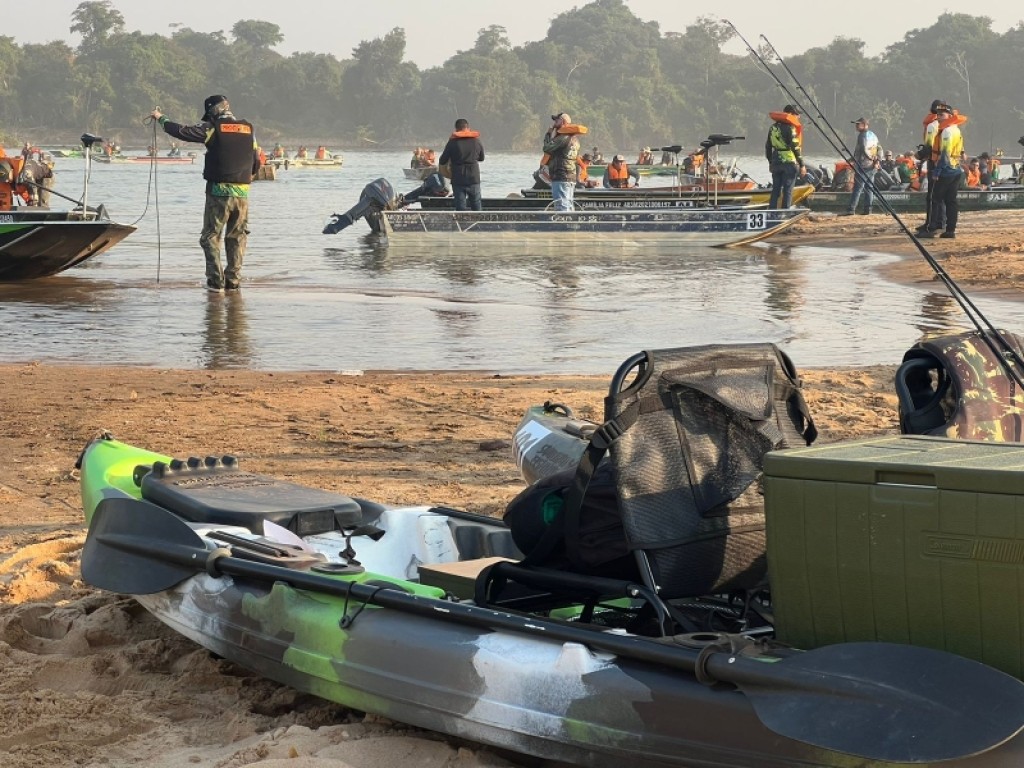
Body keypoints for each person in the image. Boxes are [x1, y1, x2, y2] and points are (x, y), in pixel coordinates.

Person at [149, 95, 262, 293]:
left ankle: (216, 282)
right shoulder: (248, 129)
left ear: (213, 111)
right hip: (243, 194)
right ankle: (233, 282)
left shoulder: (213, 128)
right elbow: (257, 161)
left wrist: (161, 118)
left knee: (210, 237)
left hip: (218, 193)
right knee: (237, 237)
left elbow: (182, 131)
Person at [925, 104, 967, 239]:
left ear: (950, 116)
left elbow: (945, 155)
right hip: (956, 169)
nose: (939, 117)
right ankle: (950, 230)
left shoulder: (947, 131)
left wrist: (937, 172)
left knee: (935, 199)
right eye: (937, 115)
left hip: (946, 171)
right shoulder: (956, 129)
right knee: (951, 201)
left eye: (942, 115)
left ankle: (931, 228)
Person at [437, 117, 485, 211]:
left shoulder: (452, 142)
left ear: (456, 129)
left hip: (458, 178)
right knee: (476, 205)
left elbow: (442, 160)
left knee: (460, 207)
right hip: (473, 177)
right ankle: (479, 220)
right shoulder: (476, 141)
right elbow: (481, 158)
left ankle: (462, 221)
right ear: (468, 128)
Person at [543, 112, 584, 211]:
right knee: (568, 204)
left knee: (561, 205)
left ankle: (564, 220)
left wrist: (548, 134)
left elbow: (546, 148)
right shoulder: (575, 140)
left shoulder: (563, 137)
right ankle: (570, 220)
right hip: (570, 176)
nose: (554, 123)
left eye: (556, 120)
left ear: (562, 121)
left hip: (561, 176)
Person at [765, 104, 804, 209]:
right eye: (797, 114)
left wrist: (770, 162)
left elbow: (768, 147)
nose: (799, 117)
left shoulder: (773, 128)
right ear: (791, 114)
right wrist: (802, 165)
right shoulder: (790, 128)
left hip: (776, 162)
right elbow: (795, 148)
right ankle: (785, 212)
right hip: (789, 163)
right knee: (788, 190)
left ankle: (772, 212)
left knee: (775, 190)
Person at [917, 99, 947, 235]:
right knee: (940, 195)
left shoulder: (932, 125)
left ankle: (931, 225)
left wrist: (919, 155)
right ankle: (939, 223)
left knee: (933, 196)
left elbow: (928, 147)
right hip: (945, 163)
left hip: (934, 162)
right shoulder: (949, 126)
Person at [841, 117, 881, 215]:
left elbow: (863, 149)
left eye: (858, 124)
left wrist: (870, 158)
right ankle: (868, 210)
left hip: (863, 166)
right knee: (869, 188)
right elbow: (880, 149)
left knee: (858, 188)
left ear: (865, 125)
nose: (856, 126)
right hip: (872, 166)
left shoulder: (862, 135)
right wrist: (877, 161)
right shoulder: (873, 135)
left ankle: (851, 209)